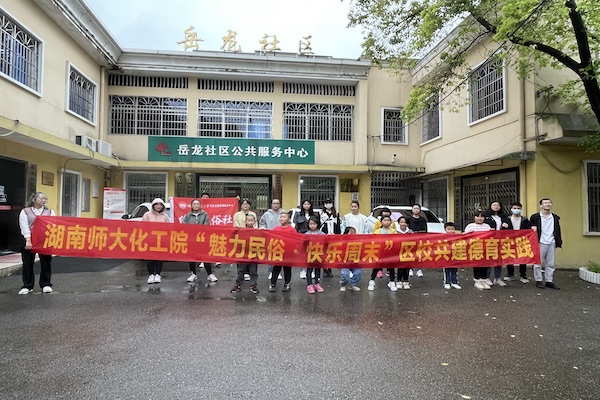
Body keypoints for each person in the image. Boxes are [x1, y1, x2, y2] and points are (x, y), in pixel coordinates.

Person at [18, 192, 55, 295]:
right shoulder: (25, 211)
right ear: (34, 199)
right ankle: (27, 285)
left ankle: (46, 284)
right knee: (27, 262)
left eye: (45, 198)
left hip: (44, 240)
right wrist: (28, 240)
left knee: (46, 262)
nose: (44, 200)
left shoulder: (50, 212)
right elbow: (24, 226)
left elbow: (53, 225)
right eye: (41, 198)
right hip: (29, 238)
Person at [182, 198, 217, 283]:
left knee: (205, 257)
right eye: (194, 204)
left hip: (202, 239)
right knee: (192, 257)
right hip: (191, 239)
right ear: (191, 206)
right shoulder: (187, 216)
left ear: (200, 205)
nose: (196, 205)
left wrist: (199, 230)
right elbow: (184, 226)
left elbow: (206, 225)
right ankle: (193, 274)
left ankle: (210, 274)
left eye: (198, 204)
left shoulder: (205, 214)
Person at [530, 198, 562, 290]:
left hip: (552, 241)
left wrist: (559, 241)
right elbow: (529, 227)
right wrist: (532, 227)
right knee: (538, 262)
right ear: (541, 205)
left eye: (549, 202)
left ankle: (549, 281)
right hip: (540, 242)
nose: (548, 204)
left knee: (550, 263)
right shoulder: (535, 217)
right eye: (545, 203)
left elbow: (558, 230)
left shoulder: (555, 217)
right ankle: (538, 280)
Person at [142, 198, 171, 284]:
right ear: (153, 206)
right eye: (157, 204)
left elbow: (168, 228)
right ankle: (151, 274)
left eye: (160, 205)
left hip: (160, 241)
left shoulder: (165, 216)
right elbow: (143, 227)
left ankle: (158, 274)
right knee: (150, 258)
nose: (159, 206)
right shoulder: (147, 215)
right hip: (150, 240)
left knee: (159, 258)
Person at [464, 210, 493, 290]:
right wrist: (468, 233)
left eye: (482, 217)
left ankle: (483, 280)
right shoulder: (470, 226)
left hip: (485, 249)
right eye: (477, 216)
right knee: (477, 265)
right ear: (474, 217)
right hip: (475, 249)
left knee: (485, 265)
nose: (479, 218)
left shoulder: (487, 226)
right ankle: (477, 281)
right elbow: (463, 237)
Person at [231, 214, 259, 294]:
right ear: (245, 221)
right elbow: (232, 237)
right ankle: (238, 285)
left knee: (253, 272)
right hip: (242, 255)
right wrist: (235, 231)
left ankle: (253, 285)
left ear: (254, 222)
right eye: (248, 220)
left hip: (253, 255)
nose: (250, 222)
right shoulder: (241, 231)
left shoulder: (257, 231)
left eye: (251, 221)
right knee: (241, 271)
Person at [368, 215, 398, 292]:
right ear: (381, 222)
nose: (386, 222)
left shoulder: (393, 231)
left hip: (390, 252)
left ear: (390, 222)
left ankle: (392, 282)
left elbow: (396, 241)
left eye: (388, 220)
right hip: (380, 252)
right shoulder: (377, 231)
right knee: (376, 267)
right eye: (385, 220)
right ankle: (372, 281)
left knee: (391, 268)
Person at [504, 202, 532, 283]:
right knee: (510, 257)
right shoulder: (507, 219)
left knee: (523, 258)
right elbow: (503, 231)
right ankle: (510, 274)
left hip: (521, 241)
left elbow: (528, 231)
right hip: (510, 241)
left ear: (521, 209)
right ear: (511, 209)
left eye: (518, 208)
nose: (516, 210)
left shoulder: (525, 220)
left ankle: (523, 276)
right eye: (515, 208)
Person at [483, 201, 509, 287]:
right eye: (494, 205)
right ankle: (487, 277)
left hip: (501, 241)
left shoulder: (504, 217)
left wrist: (506, 226)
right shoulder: (486, 217)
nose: (496, 206)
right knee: (488, 260)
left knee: (499, 260)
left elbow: (510, 229)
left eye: (498, 205)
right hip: (489, 241)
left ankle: (497, 278)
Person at [259, 199, 286, 281]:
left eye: (277, 203)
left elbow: (288, 223)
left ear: (280, 204)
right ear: (271, 204)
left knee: (279, 254)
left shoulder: (283, 213)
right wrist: (263, 228)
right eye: (274, 203)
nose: (275, 205)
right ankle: (271, 271)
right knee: (270, 255)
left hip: (281, 237)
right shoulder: (266, 214)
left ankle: (278, 272)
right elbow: (262, 223)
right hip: (270, 237)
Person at [269, 212, 295, 292]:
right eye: (281, 217)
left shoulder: (292, 230)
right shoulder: (276, 229)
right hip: (278, 252)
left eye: (284, 217)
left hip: (288, 253)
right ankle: (272, 284)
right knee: (276, 269)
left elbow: (295, 241)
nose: (282, 218)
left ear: (289, 219)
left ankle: (287, 283)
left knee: (287, 269)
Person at [293, 199, 318, 279]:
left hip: (312, 236)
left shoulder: (315, 214)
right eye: (305, 204)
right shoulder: (298, 214)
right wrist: (296, 236)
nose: (306, 206)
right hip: (302, 235)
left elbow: (318, 225)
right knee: (303, 254)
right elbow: (296, 226)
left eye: (308, 204)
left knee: (312, 253)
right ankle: (303, 270)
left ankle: (311, 271)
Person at [319, 197, 341, 277]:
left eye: (330, 203)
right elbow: (319, 224)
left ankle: (330, 269)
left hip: (333, 235)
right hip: (324, 235)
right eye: (326, 203)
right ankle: (325, 269)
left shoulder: (336, 213)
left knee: (331, 253)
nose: (328, 204)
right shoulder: (321, 213)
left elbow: (338, 225)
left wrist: (338, 235)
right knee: (324, 253)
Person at [305, 216, 325, 293]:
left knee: (318, 269)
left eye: (314, 224)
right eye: (310, 224)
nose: (312, 226)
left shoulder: (322, 234)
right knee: (309, 270)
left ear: (317, 224)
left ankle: (317, 283)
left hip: (318, 255)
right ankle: (309, 284)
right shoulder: (306, 234)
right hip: (309, 255)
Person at [339, 227, 362, 291]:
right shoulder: (341, 241)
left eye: (354, 232)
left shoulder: (358, 242)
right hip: (345, 263)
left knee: (358, 273)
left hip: (354, 263)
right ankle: (343, 285)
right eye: (350, 232)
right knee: (345, 274)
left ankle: (352, 285)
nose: (352, 234)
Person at [408, 203, 427, 278]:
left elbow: (425, 230)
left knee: (419, 254)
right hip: (411, 240)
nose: (416, 210)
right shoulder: (409, 219)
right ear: (412, 210)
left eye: (417, 209)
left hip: (420, 240)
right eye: (414, 208)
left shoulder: (423, 220)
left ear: (420, 210)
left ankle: (419, 269)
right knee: (411, 254)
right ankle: (410, 269)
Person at [442, 222, 461, 290]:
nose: (450, 231)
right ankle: (447, 282)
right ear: (445, 229)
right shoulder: (442, 237)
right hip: (446, 256)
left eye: (452, 229)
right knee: (447, 270)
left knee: (454, 270)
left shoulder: (457, 236)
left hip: (455, 256)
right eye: (448, 229)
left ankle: (454, 282)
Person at [395, 216, 413, 290]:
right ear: (399, 223)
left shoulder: (410, 232)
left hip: (408, 252)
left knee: (407, 267)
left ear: (407, 224)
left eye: (405, 222)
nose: (403, 224)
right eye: (401, 222)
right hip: (399, 252)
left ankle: (406, 281)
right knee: (400, 267)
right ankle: (399, 281)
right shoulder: (396, 232)